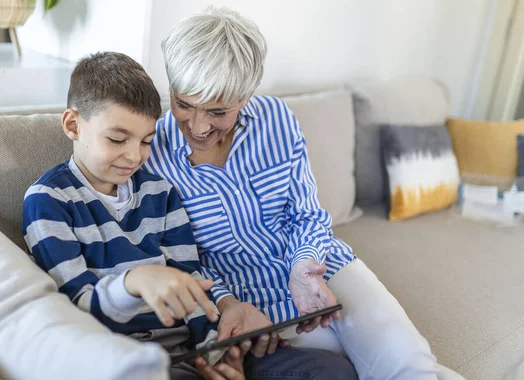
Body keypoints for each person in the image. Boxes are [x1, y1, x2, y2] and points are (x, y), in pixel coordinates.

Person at [144, 7, 464, 380]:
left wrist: (303, 269)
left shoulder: (277, 120)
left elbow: (308, 215)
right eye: (184, 104)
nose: (198, 126)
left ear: (246, 96)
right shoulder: (152, 154)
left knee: (410, 364)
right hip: (249, 304)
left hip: (322, 269)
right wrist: (226, 303)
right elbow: (178, 258)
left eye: (218, 111)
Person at [22, 51, 357, 380]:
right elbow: (77, 307)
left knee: (334, 371)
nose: (133, 156)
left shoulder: (158, 193)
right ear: (72, 124)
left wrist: (221, 352)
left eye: (146, 141)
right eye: (118, 139)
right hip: (119, 358)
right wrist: (133, 283)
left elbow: (193, 279)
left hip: (190, 355)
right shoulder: (49, 201)